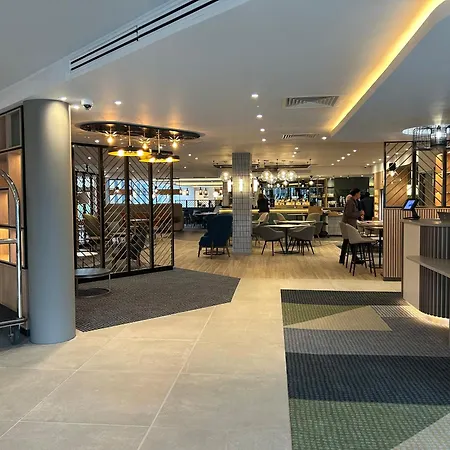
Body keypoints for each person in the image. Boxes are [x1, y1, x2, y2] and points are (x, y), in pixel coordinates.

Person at [339, 188, 364, 264]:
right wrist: (359, 213)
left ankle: (345, 258)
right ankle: (353, 258)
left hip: (349, 224)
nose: (360, 195)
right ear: (356, 194)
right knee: (351, 241)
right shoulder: (351, 202)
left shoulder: (352, 201)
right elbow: (349, 213)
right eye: (359, 193)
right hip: (349, 224)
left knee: (347, 241)